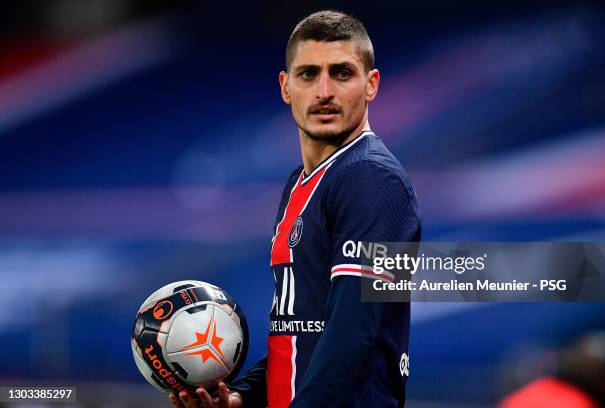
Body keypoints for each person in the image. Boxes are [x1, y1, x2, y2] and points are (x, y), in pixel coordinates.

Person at [170, 10, 421, 408]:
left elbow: (351, 334)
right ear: (285, 87)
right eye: (308, 74)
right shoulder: (300, 183)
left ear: (371, 85)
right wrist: (241, 396)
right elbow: (301, 334)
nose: (324, 91)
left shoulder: (371, 178)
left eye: (341, 73)